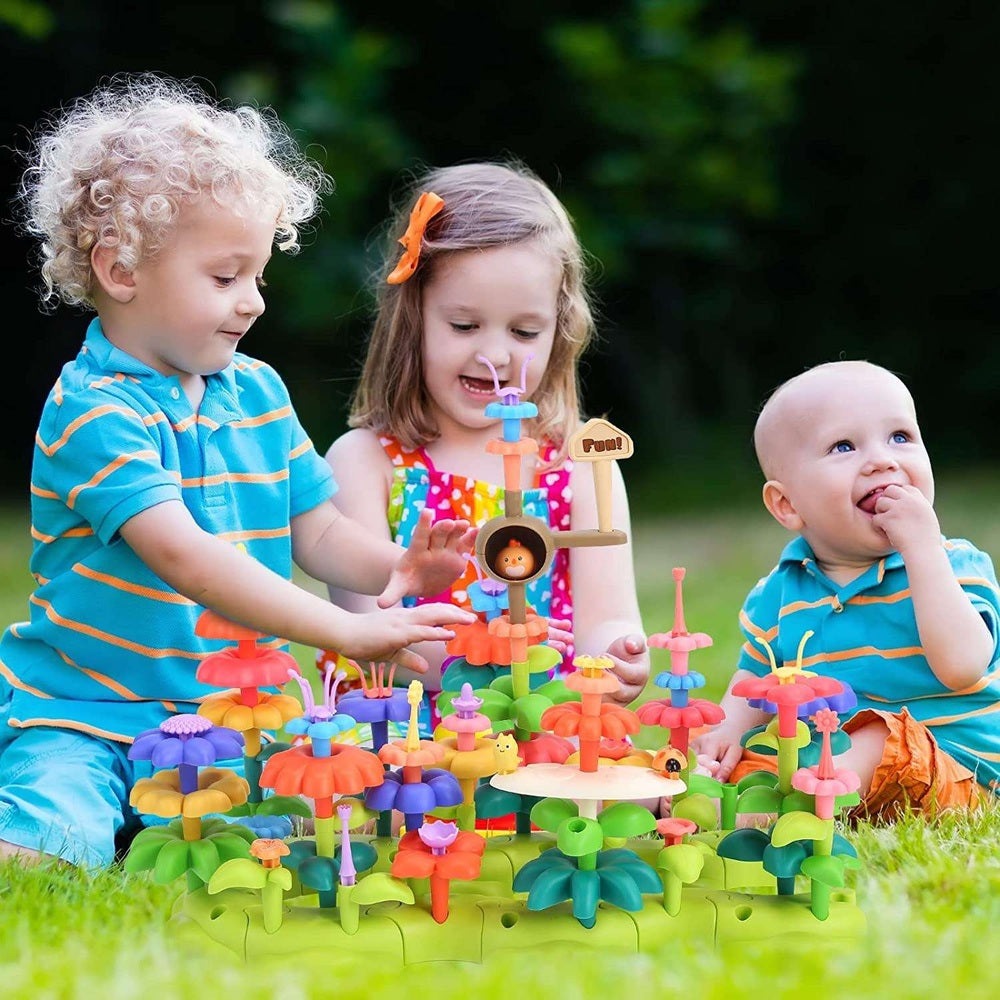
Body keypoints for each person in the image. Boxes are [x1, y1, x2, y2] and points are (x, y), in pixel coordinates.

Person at [0, 74, 478, 867]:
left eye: (258, 275)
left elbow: (316, 527)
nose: (253, 302)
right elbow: (188, 556)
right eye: (225, 278)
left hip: (230, 712)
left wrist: (399, 566)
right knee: (49, 847)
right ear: (121, 271)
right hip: (83, 712)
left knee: (324, 822)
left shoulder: (254, 391)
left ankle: (163, 821)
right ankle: (75, 815)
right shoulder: (92, 412)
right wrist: (346, 630)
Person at [320, 161, 649, 737]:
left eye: (524, 333)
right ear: (412, 319)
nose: (495, 356)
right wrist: (495, 670)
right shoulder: (365, 462)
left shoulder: (578, 469)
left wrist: (616, 655)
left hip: (541, 721)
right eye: (465, 325)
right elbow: (367, 633)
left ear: (559, 331)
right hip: (401, 725)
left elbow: (607, 617)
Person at [693, 360, 1000, 818]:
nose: (882, 459)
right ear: (787, 503)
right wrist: (725, 736)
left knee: (880, 736)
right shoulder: (783, 589)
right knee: (760, 759)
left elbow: (963, 667)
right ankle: (700, 798)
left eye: (900, 437)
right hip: (833, 761)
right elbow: (757, 679)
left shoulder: (951, 565)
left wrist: (921, 550)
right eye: (844, 446)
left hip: (953, 770)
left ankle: (778, 813)